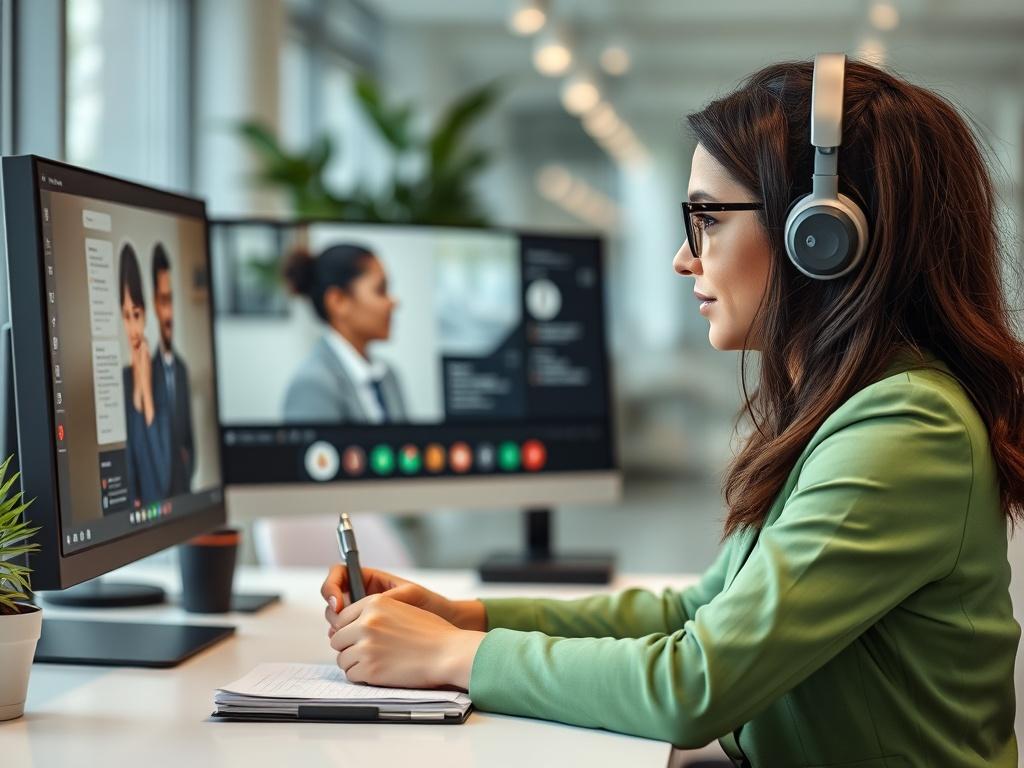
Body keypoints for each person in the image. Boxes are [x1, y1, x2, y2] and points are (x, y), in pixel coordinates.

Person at [318, 57, 1024, 765]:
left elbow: (694, 688)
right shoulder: (848, 410)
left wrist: (455, 656)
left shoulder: (905, 432)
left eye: (709, 219)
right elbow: (693, 618)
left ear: (821, 236)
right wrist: (465, 618)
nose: (684, 258)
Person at [282, 243, 407, 424]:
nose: (393, 302)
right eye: (381, 290)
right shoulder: (312, 385)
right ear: (338, 301)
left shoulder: (389, 377)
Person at [119, 243, 170, 510]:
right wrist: (136, 393)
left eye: (136, 315)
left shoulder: (162, 376)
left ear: (146, 315)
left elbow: (162, 477)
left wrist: (147, 394)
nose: (132, 327)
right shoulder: (121, 381)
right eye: (126, 316)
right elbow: (127, 477)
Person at [151, 243, 195, 497]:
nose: (169, 313)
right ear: (155, 305)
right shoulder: (143, 374)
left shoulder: (181, 369)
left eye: (171, 301)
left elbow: (190, 445)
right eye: (163, 301)